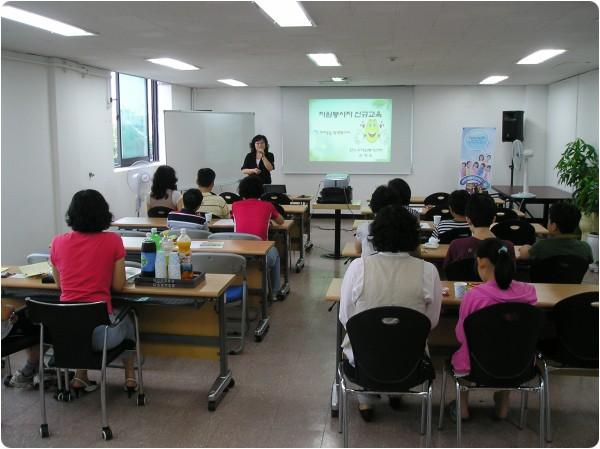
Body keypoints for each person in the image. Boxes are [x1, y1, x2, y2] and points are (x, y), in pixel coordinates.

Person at [9, 190, 137, 392]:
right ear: (104, 213)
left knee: (76, 313)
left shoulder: (58, 242)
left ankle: (81, 376)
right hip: (100, 336)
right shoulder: (113, 241)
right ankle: (130, 377)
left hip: (62, 335)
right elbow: (118, 287)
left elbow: (61, 286)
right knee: (129, 316)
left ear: (72, 214)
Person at [340, 205, 442, 422]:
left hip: (365, 359)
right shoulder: (428, 271)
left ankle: (365, 399)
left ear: (374, 236)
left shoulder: (358, 267)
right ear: (414, 237)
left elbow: (346, 318)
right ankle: (397, 392)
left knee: (364, 342)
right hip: (410, 361)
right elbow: (431, 322)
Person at [450, 238, 537, 421]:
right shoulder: (529, 292)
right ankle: (503, 404)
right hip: (518, 362)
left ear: (481, 263)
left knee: (464, 352)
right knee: (508, 344)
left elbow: (461, 334)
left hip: (477, 365)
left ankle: (463, 407)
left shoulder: (474, 296)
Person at [232, 175, 284, 298]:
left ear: (242, 190)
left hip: (238, 254)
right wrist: (268, 220)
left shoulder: (235, 205)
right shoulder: (268, 205)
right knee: (275, 253)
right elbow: (281, 222)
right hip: (262, 255)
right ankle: (275, 292)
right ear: (260, 190)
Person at [444, 193, 515, 267]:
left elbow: (447, 272)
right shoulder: (508, 246)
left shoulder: (456, 245)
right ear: (494, 219)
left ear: (468, 219)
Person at [519, 202, 593, 263]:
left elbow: (524, 255)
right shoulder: (585, 247)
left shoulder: (541, 246)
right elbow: (590, 261)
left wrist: (525, 247)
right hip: (573, 280)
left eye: (549, 219)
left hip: (543, 280)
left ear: (554, 226)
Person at [354, 185, 398, 257]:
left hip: (369, 266)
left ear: (373, 205)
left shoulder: (364, 228)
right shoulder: (403, 228)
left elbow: (358, 249)